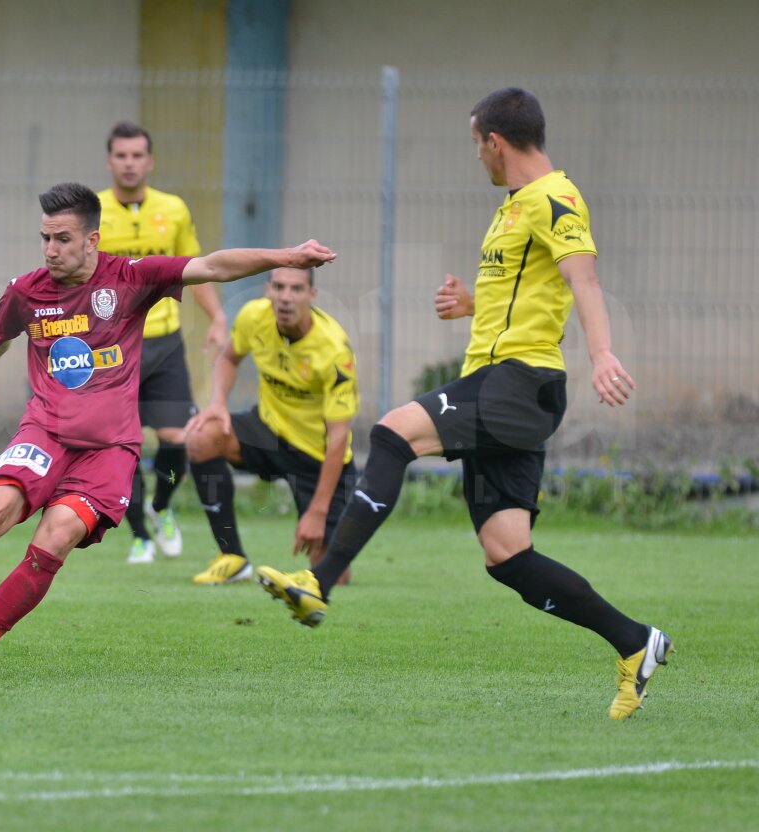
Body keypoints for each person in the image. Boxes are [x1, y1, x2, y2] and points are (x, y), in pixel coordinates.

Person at [256, 88, 671, 720]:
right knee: (508, 556)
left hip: (520, 385)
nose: (477, 155)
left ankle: (319, 581)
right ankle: (635, 642)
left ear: (494, 142)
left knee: (393, 435)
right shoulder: (512, 207)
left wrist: (604, 352)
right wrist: (473, 305)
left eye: (476, 143)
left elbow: (582, 278)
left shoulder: (556, 197)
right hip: (499, 381)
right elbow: (529, 295)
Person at [0, 182, 336, 683]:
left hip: (109, 451)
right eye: (44, 237)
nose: (50, 249)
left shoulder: (130, 278)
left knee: (56, 536)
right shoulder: (26, 292)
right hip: (45, 433)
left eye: (62, 238)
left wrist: (286, 257)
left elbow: (214, 265)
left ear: (92, 239)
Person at [97, 121, 228, 564]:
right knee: (124, 443)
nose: (130, 163)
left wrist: (217, 316)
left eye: (138, 156)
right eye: (121, 155)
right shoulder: (91, 211)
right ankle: (139, 536)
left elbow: (197, 267)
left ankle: (161, 508)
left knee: (177, 439)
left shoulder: (172, 209)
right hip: (110, 348)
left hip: (164, 343)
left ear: (150, 161)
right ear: (109, 160)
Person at [183, 267, 359, 586]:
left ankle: (325, 547)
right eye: (278, 287)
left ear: (312, 295)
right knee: (201, 437)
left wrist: (317, 512)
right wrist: (218, 403)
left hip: (318, 457)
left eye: (296, 289)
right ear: (267, 290)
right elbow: (228, 358)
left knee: (332, 577)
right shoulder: (254, 317)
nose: (286, 297)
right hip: (268, 431)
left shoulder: (333, 349)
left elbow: (338, 439)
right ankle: (232, 558)